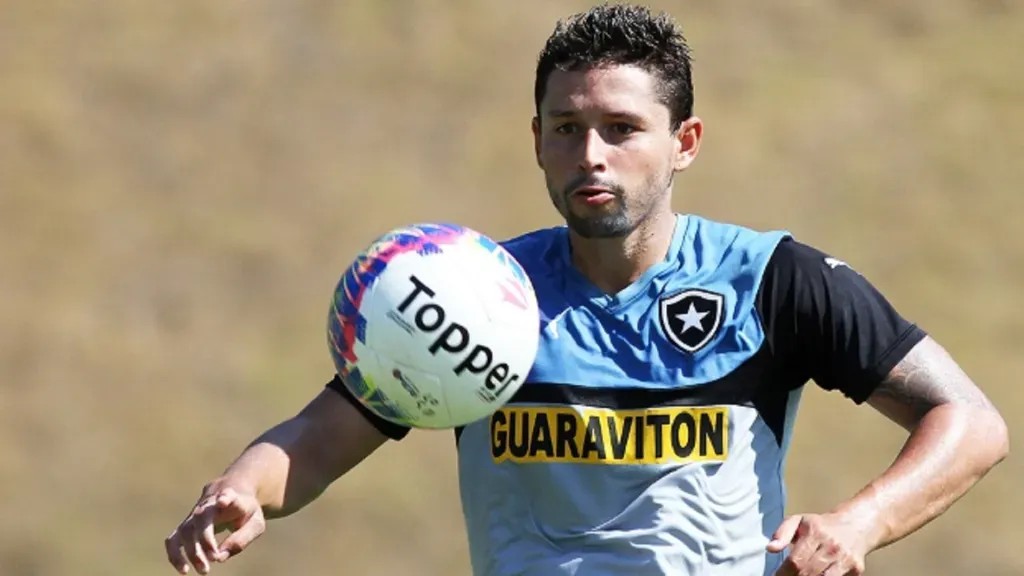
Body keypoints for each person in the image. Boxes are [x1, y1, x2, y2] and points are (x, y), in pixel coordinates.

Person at [164, 4, 1009, 575]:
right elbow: (318, 436)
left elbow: (971, 423)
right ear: (536, 141)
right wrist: (240, 488)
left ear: (685, 142)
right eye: (567, 129)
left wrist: (860, 521)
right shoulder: (471, 294)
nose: (591, 154)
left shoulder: (770, 280)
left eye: (621, 129)